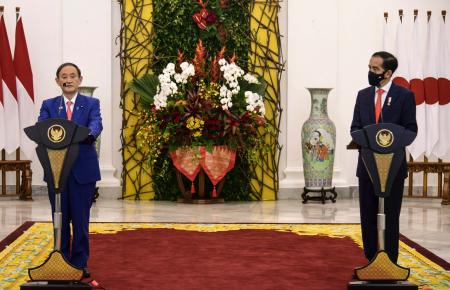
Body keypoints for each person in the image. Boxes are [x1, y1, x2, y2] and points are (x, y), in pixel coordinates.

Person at [350, 51, 417, 263]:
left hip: (393, 168)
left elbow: (410, 130)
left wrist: (388, 142)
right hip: (367, 168)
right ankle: (371, 259)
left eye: (375, 69)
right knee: (368, 216)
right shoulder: (363, 95)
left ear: (388, 72)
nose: (371, 72)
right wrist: (369, 140)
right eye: (369, 67)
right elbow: (355, 129)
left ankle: (390, 261)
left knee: (391, 215)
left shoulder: (404, 96)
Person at [38, 63, 102, 278]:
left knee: (81, 220)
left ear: (79, 80)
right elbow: (42, 127)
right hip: (57, 171)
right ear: (57, 81)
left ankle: (80, 263)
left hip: (82, 170)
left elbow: (95, 125)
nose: (68, 79)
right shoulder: (49, 105)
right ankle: (61, 259)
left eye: (72, 76)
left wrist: (84, 134)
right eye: (64, 76)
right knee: (60, 218)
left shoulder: (91, 103)